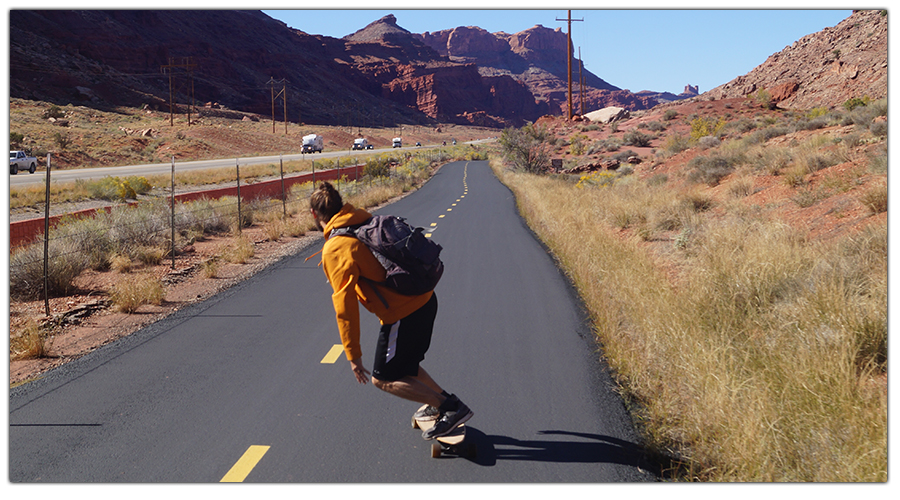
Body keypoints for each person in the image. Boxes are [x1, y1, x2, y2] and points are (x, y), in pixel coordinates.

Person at [309, 181, 473, 439]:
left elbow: (345, 306)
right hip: (426, 299)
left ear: (314, 215)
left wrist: (353, 355)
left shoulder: (335, 248)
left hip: (403, 314)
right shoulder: (363, 221)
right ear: (342, 205)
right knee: (406, 368)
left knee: (382, 378)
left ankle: (451, 408)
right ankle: (439, 403)